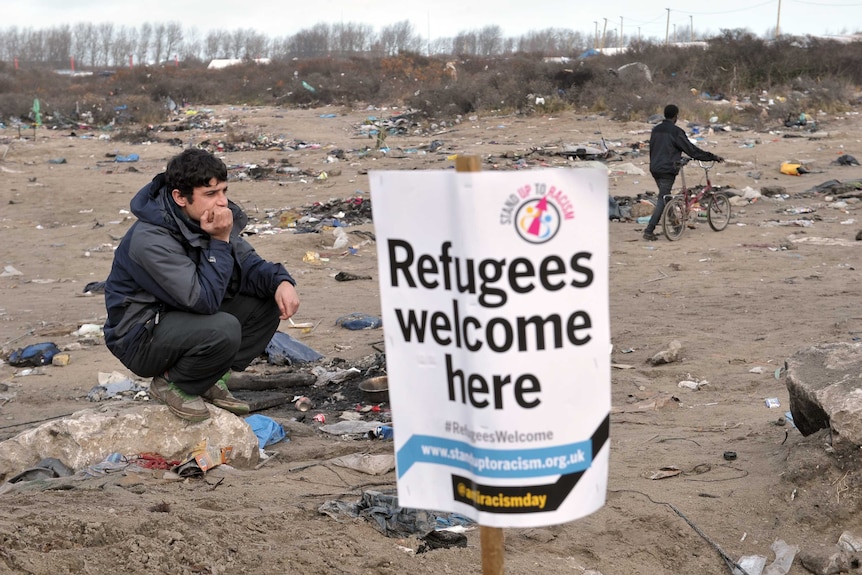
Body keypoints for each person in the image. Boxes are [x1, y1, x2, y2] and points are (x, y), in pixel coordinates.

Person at [103, 148, 300, 422]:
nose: (222, 203)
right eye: (210, 194)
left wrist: (281, 281)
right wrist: (219, 242)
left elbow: (248, 264)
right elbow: (203, 300)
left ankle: (208, 377)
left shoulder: (200, 219)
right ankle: (174, 384)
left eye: (223, 191)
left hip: (179, 316)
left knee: (268, 301)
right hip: (140, 335)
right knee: (223, 328)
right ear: (180, 197)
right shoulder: (150, 240)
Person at [643, 104, 723, 241]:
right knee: (663, 199)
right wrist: (711, 156)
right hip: (668, 169)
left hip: (655, 167)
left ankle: (675, 227)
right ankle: (649, 230)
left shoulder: (656, 130)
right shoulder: (676, 131)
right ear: (676, 116)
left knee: (666, 197)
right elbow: (691, 150)